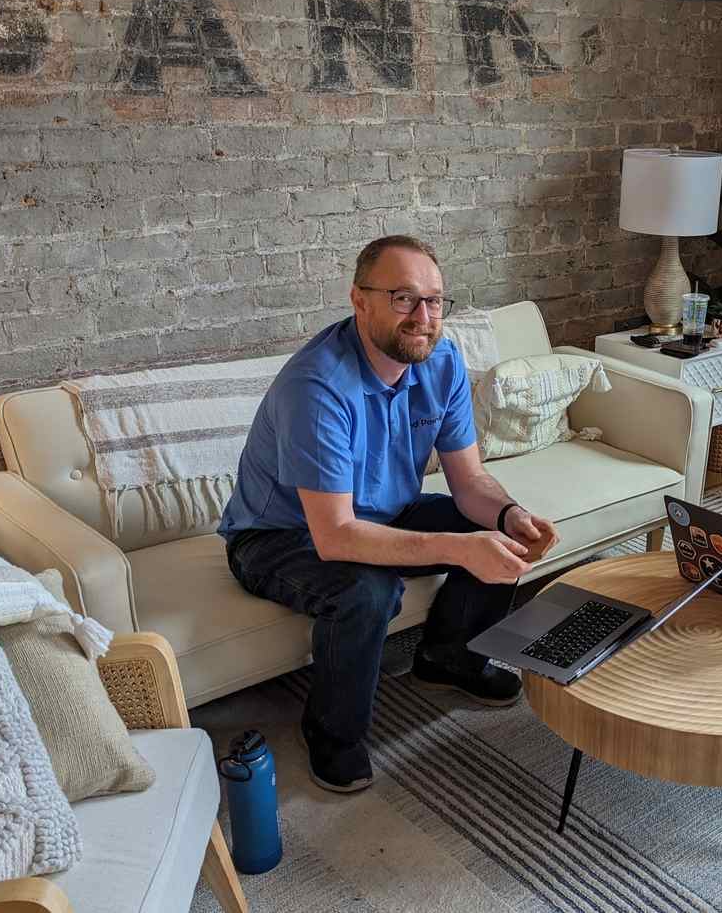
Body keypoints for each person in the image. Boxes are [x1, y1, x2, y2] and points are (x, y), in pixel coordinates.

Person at [219, 234, 559, 793]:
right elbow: (336, 537)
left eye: (434, 300)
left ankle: (449, 659)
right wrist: (458, 548)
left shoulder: (442, 360)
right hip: (281, 536)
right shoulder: (318, 387)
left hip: (383, 513)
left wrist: (508, 516)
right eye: (403, 298)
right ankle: (333, 735)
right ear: (360, 299)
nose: (423, 317)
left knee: (490, 531)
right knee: (367, 591)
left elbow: (470, 481)